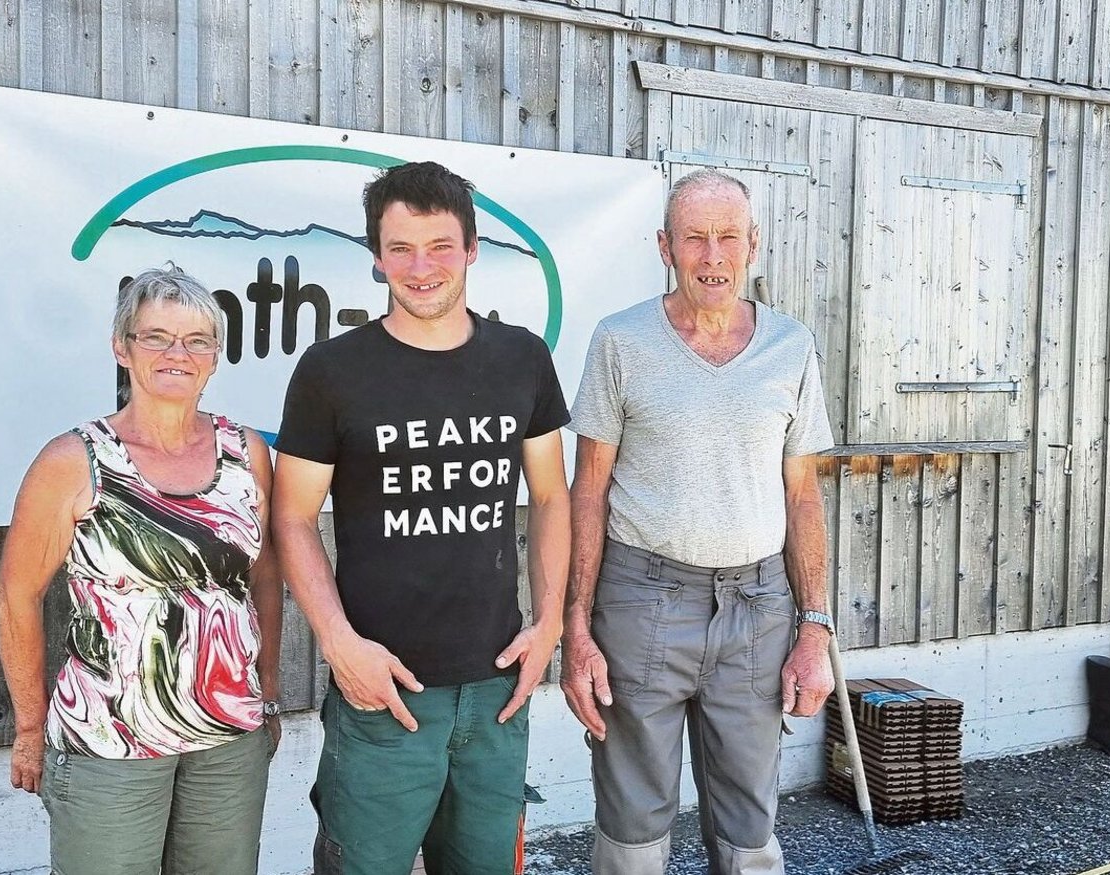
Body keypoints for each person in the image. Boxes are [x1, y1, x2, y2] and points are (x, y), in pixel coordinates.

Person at [272, 161, 571, 875]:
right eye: (400, 249)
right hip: (382, 690)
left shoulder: (522, 357)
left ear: (472, 250)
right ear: (377, 258)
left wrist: (551, 623)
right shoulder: (331, 370)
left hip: (497, 690)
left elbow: (551, 497)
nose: (421, 267)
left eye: (440, 246)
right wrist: (339, 644)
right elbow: (292, 517)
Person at [561, 169, 836, 875]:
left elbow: (803, 496)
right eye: (694, 238)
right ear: (666, 247)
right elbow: (588, 488)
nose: (713, 256)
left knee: (749, 816)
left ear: (753, 245)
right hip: (642, 597)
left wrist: (815, 627)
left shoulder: (791, 346)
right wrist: (576, 625)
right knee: (632, 813)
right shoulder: (621, 341)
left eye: (728, 237)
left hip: (759, 604)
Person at [0, 265, 283, 875]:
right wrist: (29, 727)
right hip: (109, 739)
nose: (178, 354)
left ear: (215, 357)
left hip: (229, 738)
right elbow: (17, 596)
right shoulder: (74, 460)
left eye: (197, 340)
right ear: (121, 348)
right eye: (156, 337)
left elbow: (263, 579)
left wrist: (269, 695)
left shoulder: (246, 452)